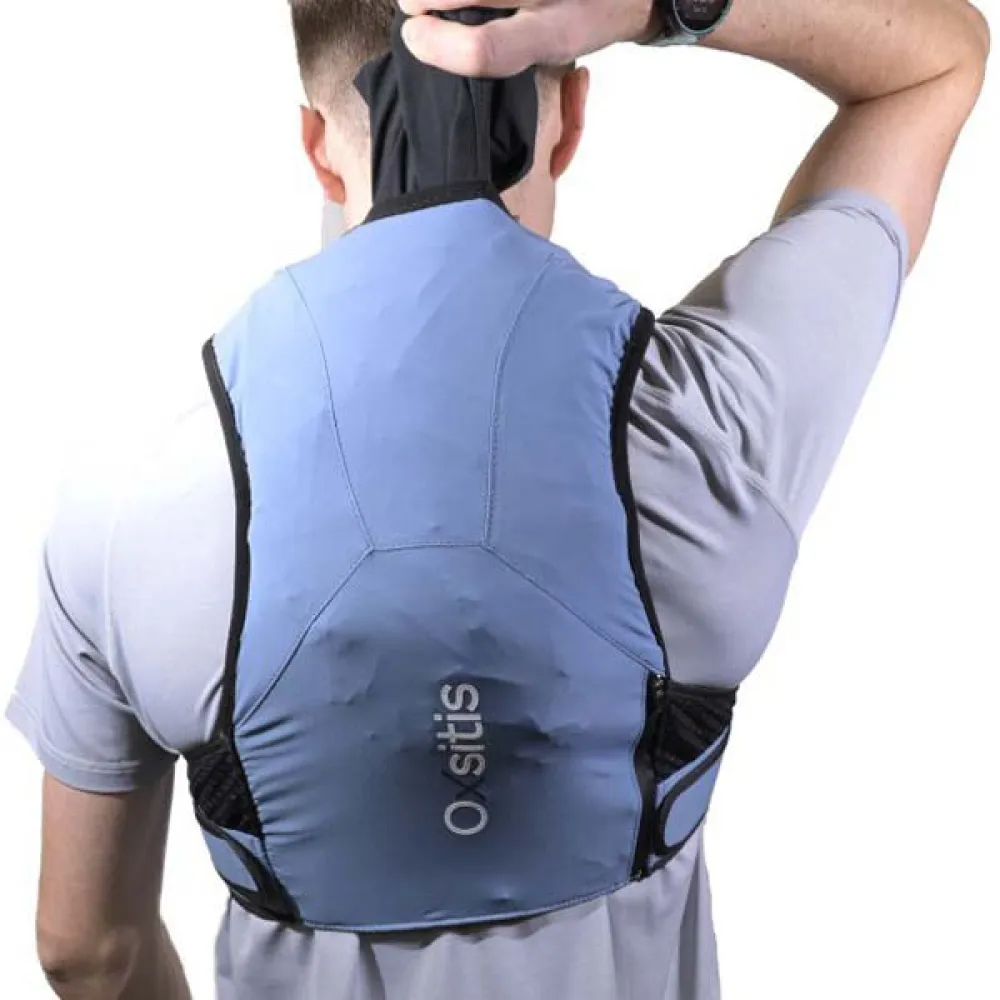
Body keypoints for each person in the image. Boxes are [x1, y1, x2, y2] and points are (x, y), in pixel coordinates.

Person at [6, 0, 989, 998]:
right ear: (568, 122)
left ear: (316, 146)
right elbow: (933, 65)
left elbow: (85, 947)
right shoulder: (706, 424)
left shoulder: (131, 502)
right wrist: (658, 7)